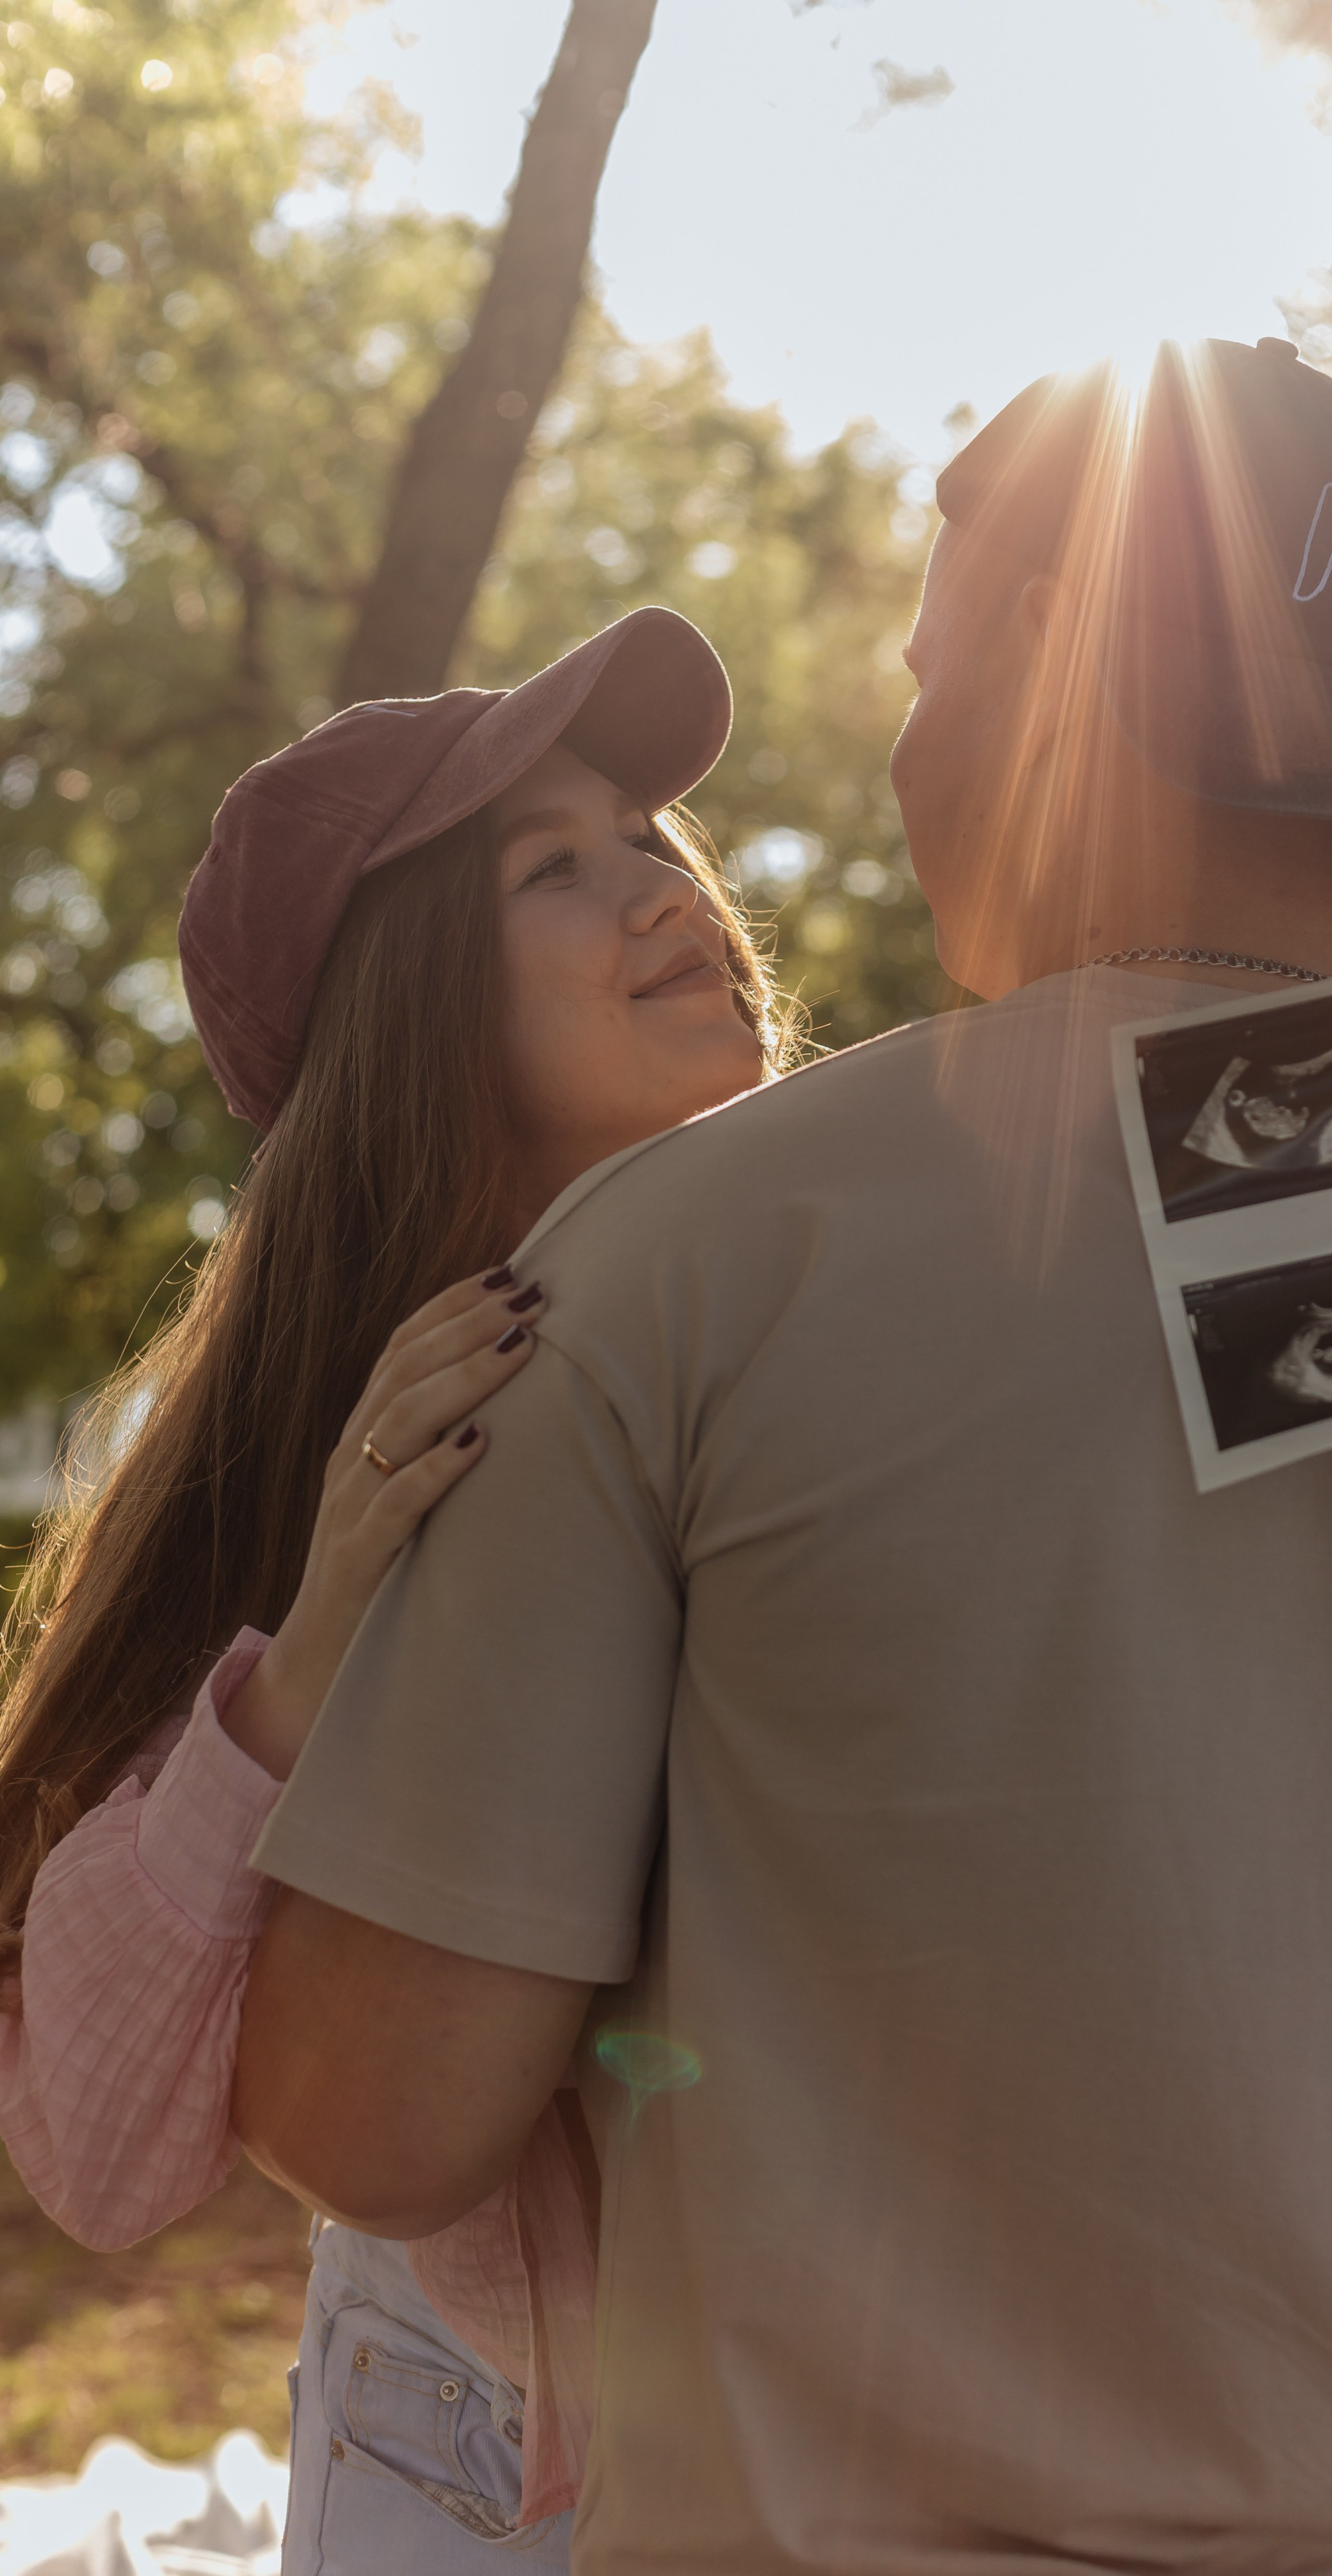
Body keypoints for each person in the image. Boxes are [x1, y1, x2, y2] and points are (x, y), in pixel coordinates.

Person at [232, 339, 1332, 2575]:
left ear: (1038, 668)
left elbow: (367, 2116)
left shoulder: (675, 1263)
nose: (910, 737)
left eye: (934, 665)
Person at [0, 607, 788, 2566]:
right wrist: (312, 1645)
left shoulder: (870, 1275)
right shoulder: (353, 1456)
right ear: (418, 1024)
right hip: (473, 2460)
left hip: (865, 2435)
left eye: (649, 832)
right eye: (556, 861)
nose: (664, 886)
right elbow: (101, 2163)